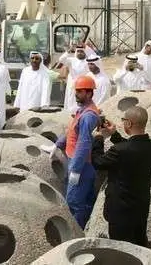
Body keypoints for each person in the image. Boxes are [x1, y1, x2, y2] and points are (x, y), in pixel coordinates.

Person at [92, 106, 151, 247]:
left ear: (129, 123)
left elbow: (98, 162)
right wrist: (114, 135)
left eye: (124, 121)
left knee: (121, 250)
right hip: (140, 208)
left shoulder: (119, 151)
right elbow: (132, 147)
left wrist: (98, 139)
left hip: (120, 212)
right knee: (139, 245)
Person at [47, 76, 100, 229]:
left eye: (79, 91)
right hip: (77, 162)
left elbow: (84, 143)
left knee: (75, 202)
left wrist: (75, 170)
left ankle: (76, 233)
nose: (76, 94)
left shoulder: (89, 115)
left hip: (82, 166)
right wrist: (57, 144)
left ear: (89, 93)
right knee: (84, 200)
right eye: (76, 91)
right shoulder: (82, 111)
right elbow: (72, 131)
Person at [60, 46, 90, 113]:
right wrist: (68, 51)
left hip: (83, 85)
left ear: (85, 52)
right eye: (78, 51)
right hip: (72, 85)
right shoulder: (72, 60)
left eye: (81, 51)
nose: (79, 53)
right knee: (71, 100)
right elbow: (61, 60)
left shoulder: (88, 62)